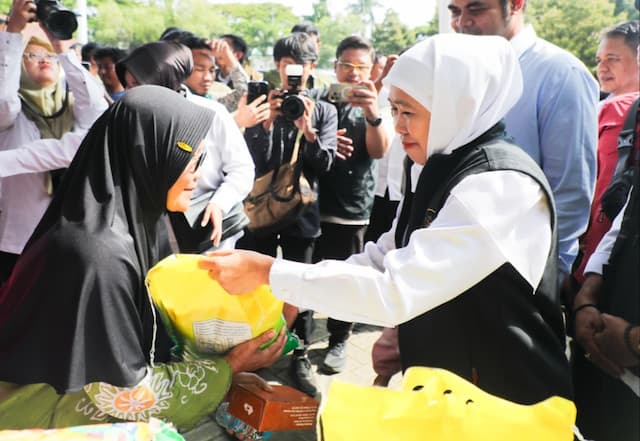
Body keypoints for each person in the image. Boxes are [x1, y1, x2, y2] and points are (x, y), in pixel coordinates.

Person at [201, 33, 572, 405]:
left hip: (505, 396)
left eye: (408, 112)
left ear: (458, 107)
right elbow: (386, 255)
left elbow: (396, 289)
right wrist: (292, 285)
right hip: (450, 387)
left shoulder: (499, 185)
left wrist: (271, 273)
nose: (398, 126)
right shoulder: (439, 162)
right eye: (393, 110)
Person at [0, 85, 285, 430]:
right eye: (190, 159)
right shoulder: (97, 256)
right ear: (147, 155)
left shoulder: (128, 222)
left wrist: (225, 370)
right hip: (40, 418)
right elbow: (120, 395)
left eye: (203, 159)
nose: (198, 174)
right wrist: (229, 367)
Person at [448, 0, 598, 286]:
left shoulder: (560, 73)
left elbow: (569, 192)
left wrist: (546, 280)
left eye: (476, 9)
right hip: (452, 265)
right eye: (455, 11)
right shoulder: (461, 72)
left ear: (516, 4)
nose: (462, 22)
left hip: (520, 278)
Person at [236, 32, 337, 398]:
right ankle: (253, 349)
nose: (293, 73)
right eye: (286, 65)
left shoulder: (323, 110)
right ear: (277, 66)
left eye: (300, 66)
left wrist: (307, 131)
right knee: (254, 284)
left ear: (312, 67)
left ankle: (300, 353)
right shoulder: (263, 104)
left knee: (302, 284)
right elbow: (249, 161)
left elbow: (325, 165)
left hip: (302, 212)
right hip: (261, 211)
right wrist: (264, 126)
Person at [0, 0, 107, 285]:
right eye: (33, 55)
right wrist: (14, 30)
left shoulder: (73, 107)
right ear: (19, 64)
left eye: (49, 55)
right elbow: (4, 99)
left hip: (72, 235)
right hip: (18, 239)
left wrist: (62, 48)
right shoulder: (11, 113)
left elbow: (96, 109)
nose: (44, 60)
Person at [116, 41, 255, 251]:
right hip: (152, 227)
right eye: (127, 86)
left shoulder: (211, 113)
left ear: (163, 78)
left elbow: (242, 169)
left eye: (136, 84)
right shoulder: (133, 118)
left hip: (206, 225)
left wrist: (220, 204)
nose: (130, 92)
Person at [312, 35, 389, 377]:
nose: (353, 73)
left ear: (372, 69)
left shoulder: (378, 104)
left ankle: (339, 339)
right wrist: (323, 140)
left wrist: (372, 115)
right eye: (347, 65)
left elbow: (378, 151)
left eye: (361, 66)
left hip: (351, 206)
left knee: (346, 276)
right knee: (311, 271)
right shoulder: (318, 98)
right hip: (312, 203)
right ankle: (299, 336)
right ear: (335, 66)